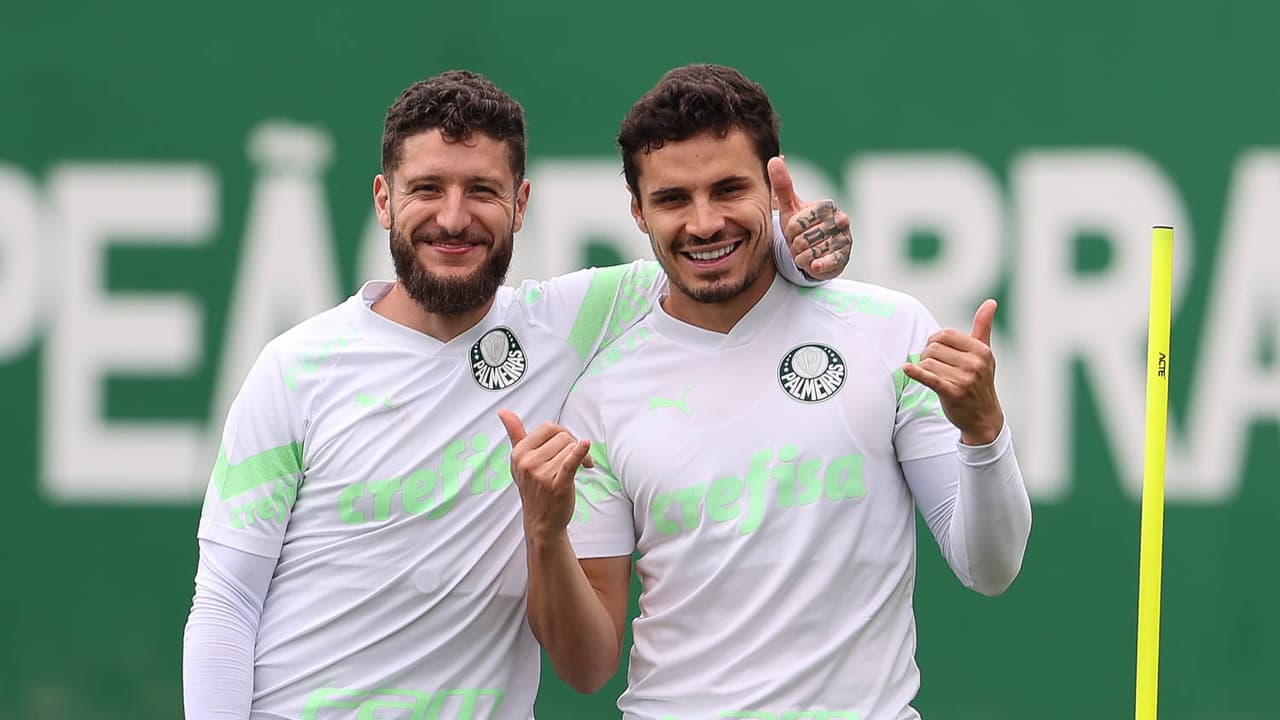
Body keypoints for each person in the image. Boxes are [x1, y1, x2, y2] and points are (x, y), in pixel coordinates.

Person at [181, 69, 853, 719]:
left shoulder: (564, 324)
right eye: (427, 189)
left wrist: (794, 252)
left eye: (481, 190)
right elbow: (227, 599)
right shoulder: (295, 368)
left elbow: (711, 258)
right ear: (384, 199)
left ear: (520, 204)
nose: (453, 218)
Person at [501, 64, 1033, 720]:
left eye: (728, 189)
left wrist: (983, 431)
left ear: (774, 186)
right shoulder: (602, 390)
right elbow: (586, 669)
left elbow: (992, 566)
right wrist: (545, 534)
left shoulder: (890, 330)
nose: (703, 223)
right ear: (638, 211)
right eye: (673, 199)